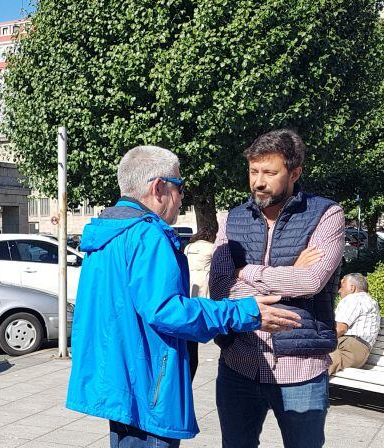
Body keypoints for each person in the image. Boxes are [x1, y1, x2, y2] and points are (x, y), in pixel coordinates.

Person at [66, 145, 301, 448]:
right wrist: (246, 312)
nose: (181, 198)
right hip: (148, 387)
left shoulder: (107, 232)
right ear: (159, 187)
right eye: (179, 187)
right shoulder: (148, 235)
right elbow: (167, 312)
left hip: (121, 381)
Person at [210, 129, 344, 448]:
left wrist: (246, 272)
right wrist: (289, 273)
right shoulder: (232, 219)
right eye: (254, 171)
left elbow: (312, 281)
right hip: (238, 365)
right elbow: (218, 289)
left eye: (270, 172)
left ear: (294, 173)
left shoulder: (327, 214)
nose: (258, 181)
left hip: (300, 371)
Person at [183, 224, 218, 379]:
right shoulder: (212, 247)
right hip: (204, 278)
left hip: (190, 279)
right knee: (204, 303)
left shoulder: (189, 246)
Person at [329, 273, 380, 375]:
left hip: (347, 346)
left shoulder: (353, 299)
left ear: (352, 288)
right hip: (359, 353)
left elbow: (340, 329)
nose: (339, 291)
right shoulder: (370, 301)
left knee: (317, 362)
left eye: (342, 286)